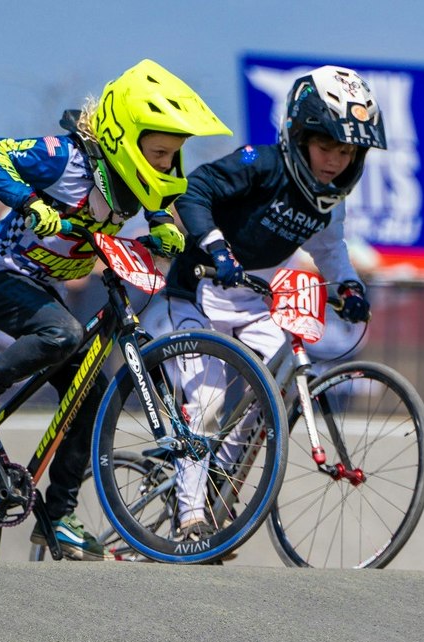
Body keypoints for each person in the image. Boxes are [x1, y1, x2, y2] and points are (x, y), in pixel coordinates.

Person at [0, 60, 230, 559]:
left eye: (172, 156)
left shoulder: (138, 183)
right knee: (64, 333)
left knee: (90, 392)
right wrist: (28, 199)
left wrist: (163, 228)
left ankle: (57, 516)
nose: (165, 166)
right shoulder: (65, 159)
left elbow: (154, 205)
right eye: (159, 154)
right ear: (125, 139)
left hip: (44, 286)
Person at [148, 64, 383, 541]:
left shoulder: (327, 200)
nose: (334, 161)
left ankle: (216, 498)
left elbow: (331, 249)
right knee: (210, 403)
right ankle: (189, 512)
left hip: (256, 303)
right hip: (198, 291)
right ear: (299, 136)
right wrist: (216, 246)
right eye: (325, 147)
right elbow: (193, 191)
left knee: (273, 397)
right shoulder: (260, 163)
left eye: (346, 151)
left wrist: (350, 286)